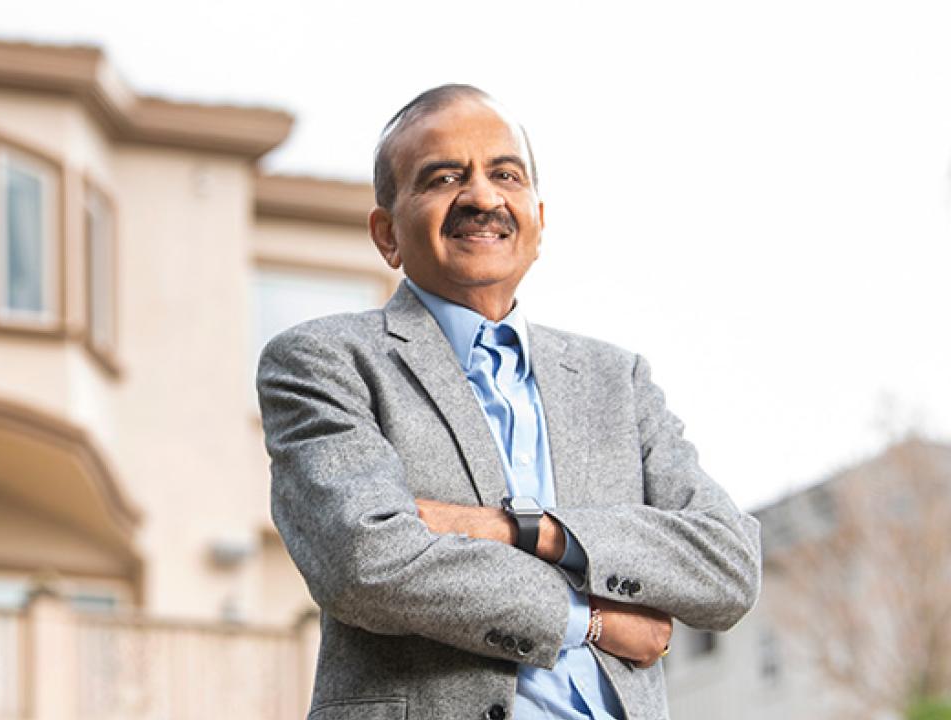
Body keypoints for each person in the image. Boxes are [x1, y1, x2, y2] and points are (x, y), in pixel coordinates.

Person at [257, 84, 761, 720]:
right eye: (443, 177)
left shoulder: (616, 379)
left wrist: (529, 530)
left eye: (505, 174)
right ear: (387, 235)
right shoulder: (324, 361)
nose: (482, 197)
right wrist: (592, 621)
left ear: (538, 220)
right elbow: (365, 563)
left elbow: (729, 564)